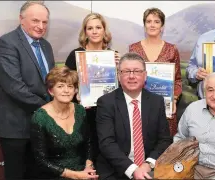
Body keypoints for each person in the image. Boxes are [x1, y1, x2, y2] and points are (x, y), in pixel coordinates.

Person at [0, 1, 55, 179]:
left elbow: (50, 82)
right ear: (21, 19)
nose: (41, 26)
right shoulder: (7, 43)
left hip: (40, 127)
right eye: (35, 20)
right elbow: (14, 87)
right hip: (15, 128)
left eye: (45, 22)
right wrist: (50, 109)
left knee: (37, 173)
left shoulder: (46, 46)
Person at [95, 52, 173, 179]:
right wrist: (133, 169)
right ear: (118, 76)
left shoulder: (156, 101)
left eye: (137, 71)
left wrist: (148, 164)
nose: (132, 76)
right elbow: (107, 143)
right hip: (116, 169)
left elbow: (164, 140)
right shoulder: (106, 102)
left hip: (148, 168)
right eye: (126, 71)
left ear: (145, 75)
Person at [65, 12, 119, 161]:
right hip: (82, 115)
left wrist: (120, 67)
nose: (94, 31)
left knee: (105, 155)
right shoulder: (75, 55)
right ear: (85, 32)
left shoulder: (113, 56)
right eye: (90, 28)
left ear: (104, 30)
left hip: (108, 115)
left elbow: (120, 88)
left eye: (98, 27)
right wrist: (76, 91)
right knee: (83, 157)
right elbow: (66, 84)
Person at [30, 66, 99, 179]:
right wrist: (76, 175)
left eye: (70, 86)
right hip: (54, 174)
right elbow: (41, 161)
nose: (66, 90)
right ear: (51, 91)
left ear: (75, 90)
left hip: (83, 171)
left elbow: (89, 143)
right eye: (60, 86)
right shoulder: (39, 117)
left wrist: (88, 166)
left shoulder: (80, 110)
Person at [129, 7, 182, 136]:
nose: (152, 25)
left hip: (165, 110)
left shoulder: (172, 49)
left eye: (157, 21)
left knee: (165, 150)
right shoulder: (133, 49)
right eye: (149, 21)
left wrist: (173, 99)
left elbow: (178, 80)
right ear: (144, 25)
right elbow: (129, 78)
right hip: (140, 109)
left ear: (162, 26)